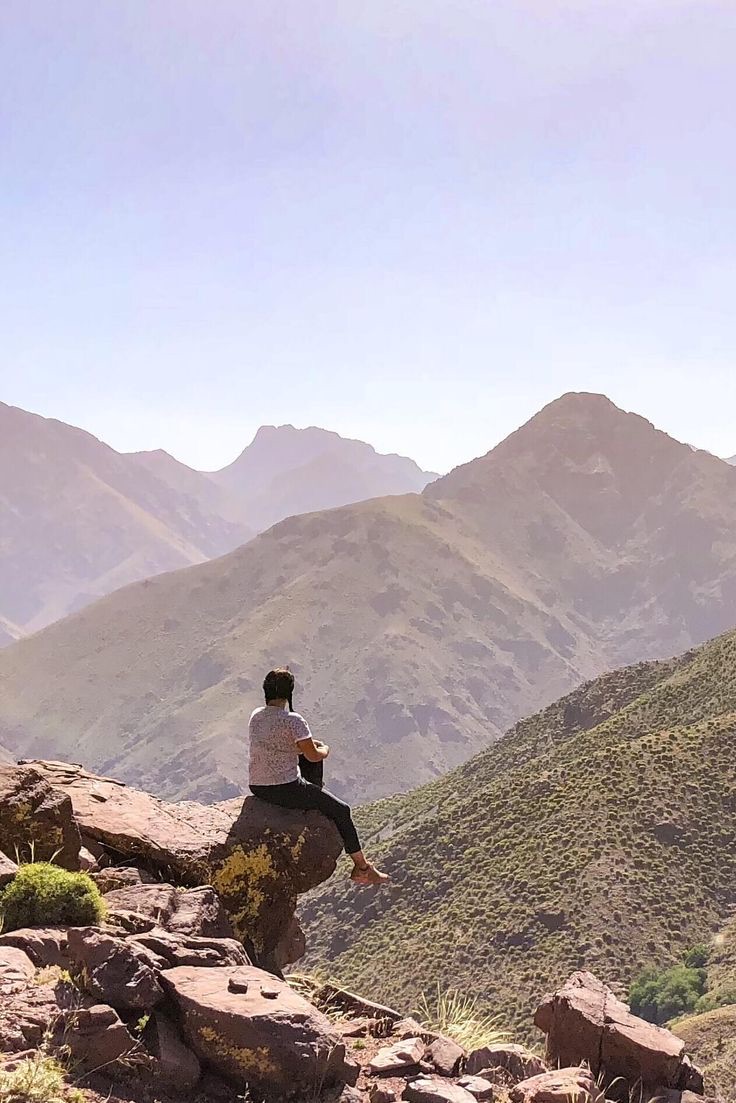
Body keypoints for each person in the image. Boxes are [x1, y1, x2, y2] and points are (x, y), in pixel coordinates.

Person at [248, 668, 389, 885]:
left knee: (303, 753)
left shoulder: (256, 716)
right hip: (284, 788)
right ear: (289, 694)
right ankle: (363, 868)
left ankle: (313, 795)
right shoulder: (293, 720)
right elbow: (313, 757)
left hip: (257, 786)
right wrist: (324, 749)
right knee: (342, 810)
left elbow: (275, 746)